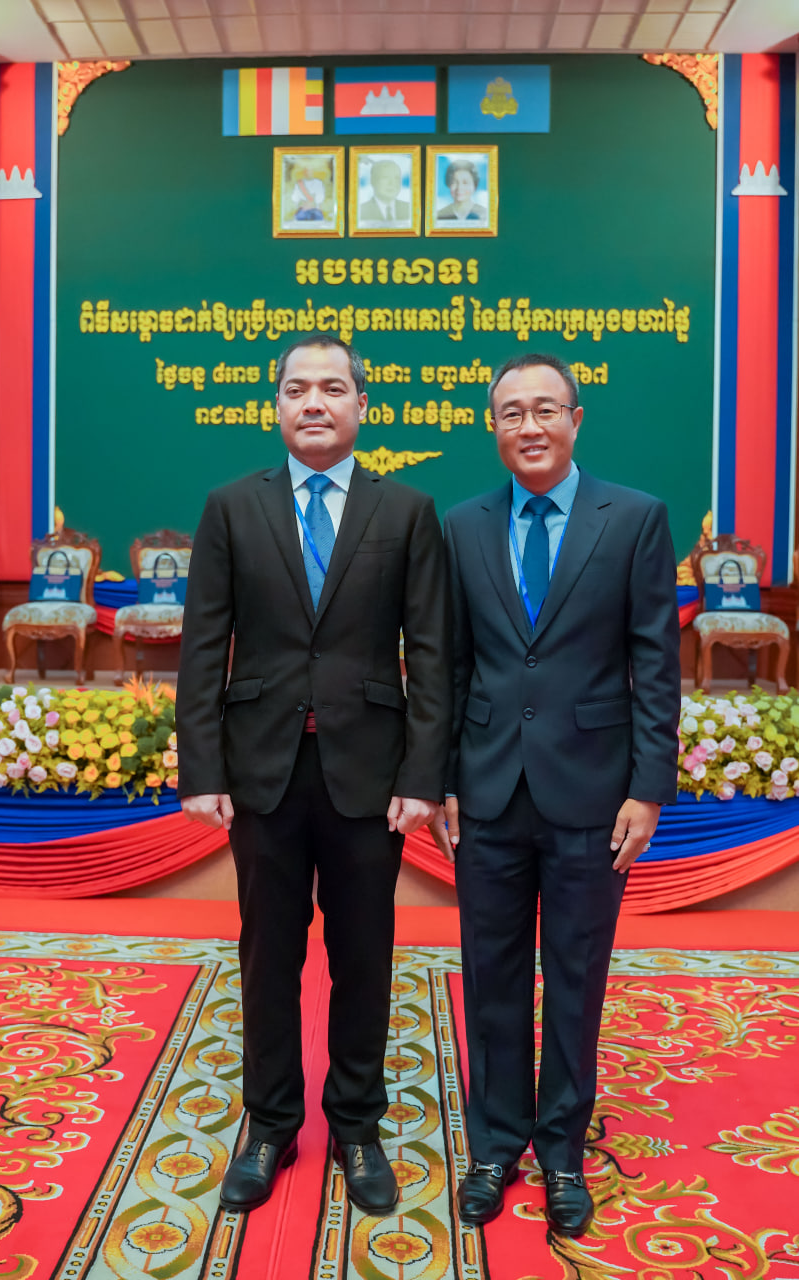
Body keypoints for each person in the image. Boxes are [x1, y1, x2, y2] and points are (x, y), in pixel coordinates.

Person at [177, 334, 451, 1218]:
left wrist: (423, 774)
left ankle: (357, 1126)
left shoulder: (406, 510)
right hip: (261, 770)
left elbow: (431, 653)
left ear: (362, 405)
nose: (314, 403)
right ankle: (268, 1125)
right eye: (297, 389)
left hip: (370, 776)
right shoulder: (231, 506)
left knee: (364, 956)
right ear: (277, 406)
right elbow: (202, 647)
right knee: (268, 955)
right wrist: (201, 768)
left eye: (332, 389)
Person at [431, 352, 680, 1238]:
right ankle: (494, 1145)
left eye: (545, 409)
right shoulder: (461, 525)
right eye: (511, 412)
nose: (528, 426)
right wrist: (442, 780)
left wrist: (648, 788)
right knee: (491, 976)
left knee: (576, 978)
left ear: (576, 420)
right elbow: (450, 665)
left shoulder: (634, 518)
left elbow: (654, 661)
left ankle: (563, 1151)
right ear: (491, 427)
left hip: (593, 792)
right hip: (488, 791)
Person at [358, 158, 411, 223]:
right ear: (373, 181)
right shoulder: (360, 211)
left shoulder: (410, 209)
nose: (392, 183)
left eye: (396, 178)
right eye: (385, 177)